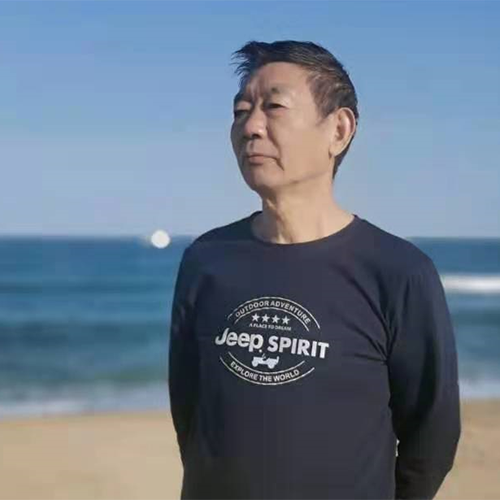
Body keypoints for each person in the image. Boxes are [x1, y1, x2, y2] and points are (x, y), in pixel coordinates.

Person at [168, 40, 461, 500]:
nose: (251, 127)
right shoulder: (207, 259)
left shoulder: (399, 271)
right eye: (241, 111)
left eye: (274, 107)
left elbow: (432, 435)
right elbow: (190, 410)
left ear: (338, 130)